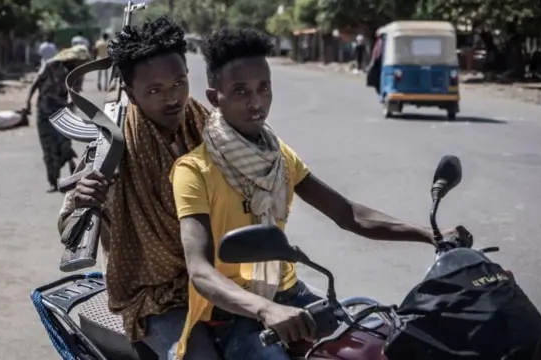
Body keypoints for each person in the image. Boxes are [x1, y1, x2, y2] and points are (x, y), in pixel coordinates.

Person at [170, 28, 463, 360]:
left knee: (382, 342)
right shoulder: (193, 170)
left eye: (264, 88)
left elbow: (347, 213)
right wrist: (266, 310)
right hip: (235, 316)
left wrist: (430, 234)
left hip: (292, 296)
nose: (256, 102)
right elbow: (200, 271)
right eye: (240, 91)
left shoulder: (279, 156)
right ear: (214, 97)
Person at [56, 16, 220, 360]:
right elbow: (69, 227)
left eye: (179, 82)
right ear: (131, 94)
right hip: (151, 291)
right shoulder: (111, 145)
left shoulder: (202, 121)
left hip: (217, 273)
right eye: (154, 91)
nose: (172, 97)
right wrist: (85, 199)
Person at [25, 45, 90, 192]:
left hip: (62, 112)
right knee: (48, 147)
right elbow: (36, 82)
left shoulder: (78, 74)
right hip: (44, 111)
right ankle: (53, 181)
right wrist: (28, 102)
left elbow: (76, 93)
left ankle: (71, 166)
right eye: (80, 61)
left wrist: (71, 105)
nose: (82, 64)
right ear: (72, 59)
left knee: (64, 143)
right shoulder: (51, 66)